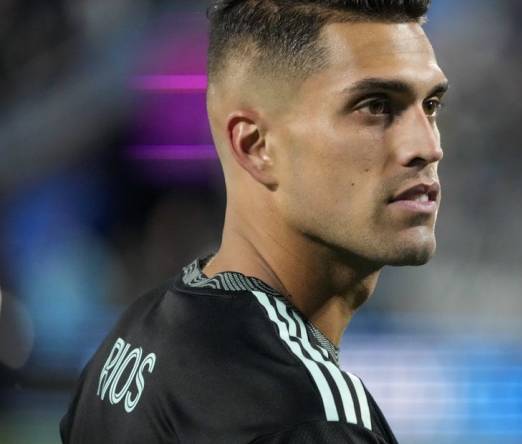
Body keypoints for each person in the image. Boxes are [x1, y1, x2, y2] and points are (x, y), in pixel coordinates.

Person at [60, 0, 448, 442]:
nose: (427, 145)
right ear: (256, 146)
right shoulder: (308, 414)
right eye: (375, 106)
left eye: (431, 105)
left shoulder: (130, 340)